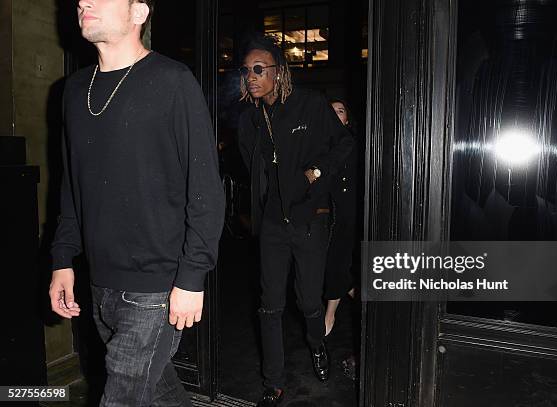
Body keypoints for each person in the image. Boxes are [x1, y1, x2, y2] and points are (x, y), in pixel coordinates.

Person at [48, 1, 225, 405]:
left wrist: (191, 276)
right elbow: (72, 186)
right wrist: (62, 257)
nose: (83, 2)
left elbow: (205, 190)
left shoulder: (172, 81)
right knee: (161, 390)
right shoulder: (73, 91)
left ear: (138, 12)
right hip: (100, 283)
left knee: (122, 396)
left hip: (156, 289)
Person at [237, 35, 354, 407]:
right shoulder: (249, 119)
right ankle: (273, 382)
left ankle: (317, 344)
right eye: (247, 71)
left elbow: (345, 143)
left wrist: (317, 171)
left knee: (307, 301)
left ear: (278, 72)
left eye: (259, 69)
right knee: (269, 305)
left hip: (309, 220)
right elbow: (249, 166)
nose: (252, 77)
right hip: (272, 225)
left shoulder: (310, 106)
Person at [323, 99, 359, 337]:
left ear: (347, 119)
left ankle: (329, 316)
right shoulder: (320, 146)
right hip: (329, 215)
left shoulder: (354, 144)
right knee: (333, 264)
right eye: (331, 111)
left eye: (341, 110)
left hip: (351, 213)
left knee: (339, 262)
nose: (336, 114)